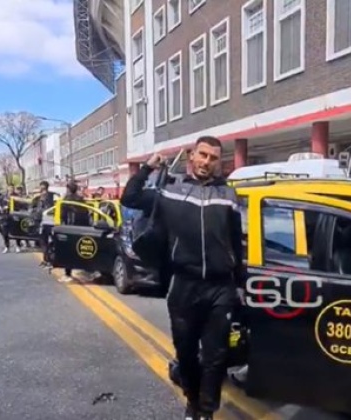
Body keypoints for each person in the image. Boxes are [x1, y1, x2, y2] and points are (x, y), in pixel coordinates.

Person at [120, 136, 245, 420]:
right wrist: (147, 168)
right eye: (202, 155)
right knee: (187, 355)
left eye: (213, 158)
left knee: (215, 358)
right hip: (184, 286)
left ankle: (206, 411)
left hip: (220, 287)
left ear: (218, 163)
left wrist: (240, 284)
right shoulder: (169, 191)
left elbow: (236, 242)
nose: (206, 162)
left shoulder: (228, 194)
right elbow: (130, 197)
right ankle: (192, 400)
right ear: (192, 156)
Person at [58, 181, 90, 283]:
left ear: (68, 189)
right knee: (81, 249)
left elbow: (62, 215)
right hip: (81, 227)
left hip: (69, 227)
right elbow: (86, 213)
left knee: (68, 250)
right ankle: (86, 270)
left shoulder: (65, 200)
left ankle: (68, 274)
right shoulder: (81, 199)